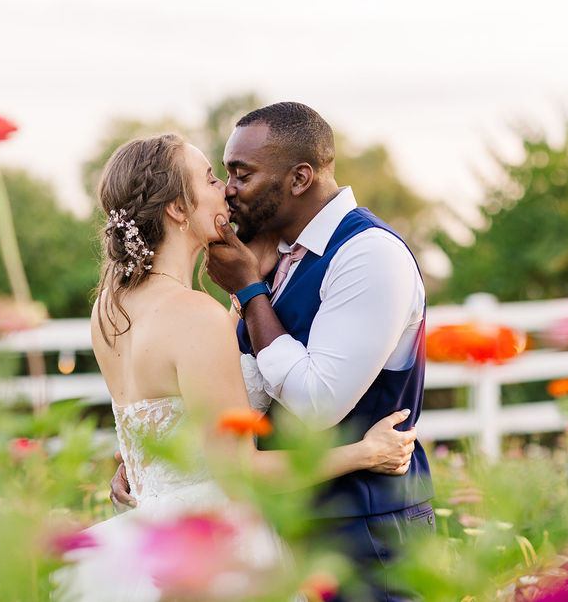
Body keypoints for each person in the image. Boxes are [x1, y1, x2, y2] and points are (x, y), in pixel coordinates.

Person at [62, 133, 418, 601]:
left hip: (151, 539)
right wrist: (366, 453)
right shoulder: (193, 316)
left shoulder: (110, 309)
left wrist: (246, 290)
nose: (225, 189)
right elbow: (239, 471)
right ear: (177, 207)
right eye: (210, 178)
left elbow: (165, 420)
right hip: (215, 547)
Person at [205, 102, 435, 601]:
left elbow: (317, 405)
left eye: (241, 174)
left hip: (365, 531)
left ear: (299, 178)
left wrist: (250, 293)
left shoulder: (369, 254)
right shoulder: (276, 256)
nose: (228, 190)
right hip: (287, 526)